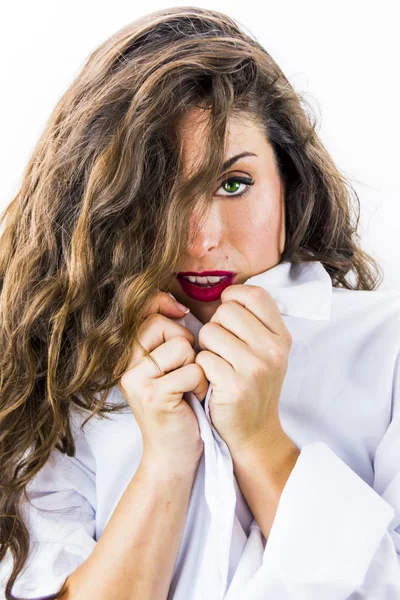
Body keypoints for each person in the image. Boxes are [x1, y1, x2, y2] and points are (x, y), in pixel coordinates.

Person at [0, 6, 399, 600]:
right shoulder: (56, 370)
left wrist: (261, 439)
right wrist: (165, 459)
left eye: (234, 183)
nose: (204, 238)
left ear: (288, 182)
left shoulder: (387, 347)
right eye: (160, 193)